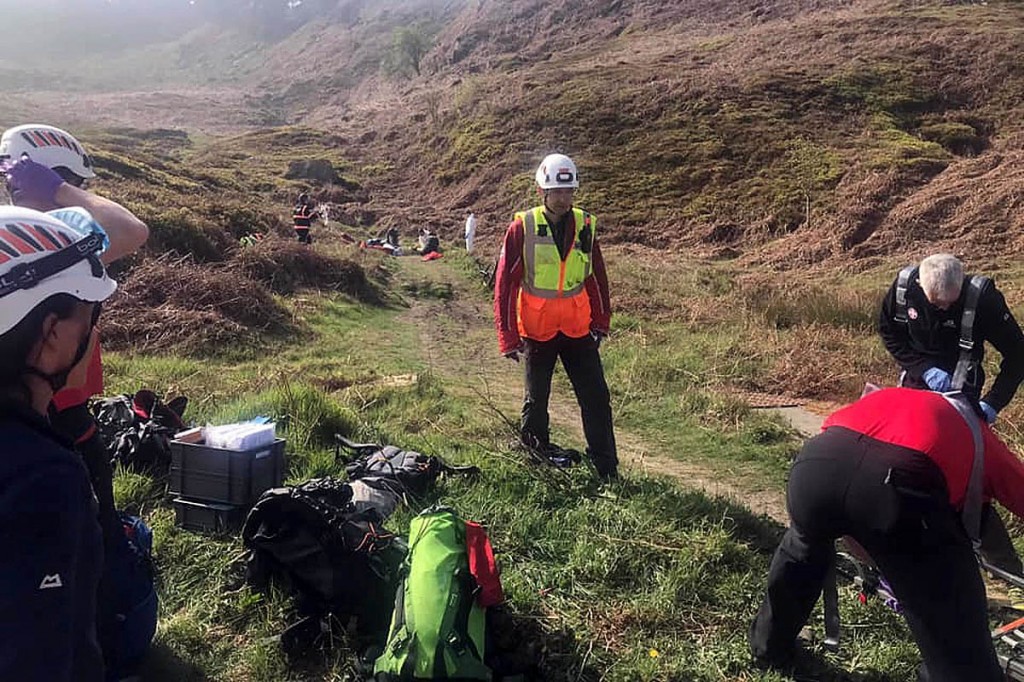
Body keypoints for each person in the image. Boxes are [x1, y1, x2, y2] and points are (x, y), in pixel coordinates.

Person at [1, 124, 152, 678]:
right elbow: (132, 230)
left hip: (46, 419)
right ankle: (111, 638)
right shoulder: (55, 249)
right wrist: (62, 193)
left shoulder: (27, 243)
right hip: (53, 426)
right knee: (79, 551)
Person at [749, 387, 1024, 681]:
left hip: (816, 466)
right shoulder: (979, 435)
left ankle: (769, 648)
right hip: (894, 488)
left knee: (802, 549)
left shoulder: (893, 396)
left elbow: (842, 445)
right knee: (948, 601)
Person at [0, 206, 119, 681]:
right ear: (51, 333)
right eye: (89, 318)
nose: (93, 334)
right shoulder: (41, 477)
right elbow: (40, 654)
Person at [879, 252, 1024, 573]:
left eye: (950, 303)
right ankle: (908, 556)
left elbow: (1018, 355)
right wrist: (924, 369)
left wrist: (993, 403)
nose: (943, 308)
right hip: (915, 394)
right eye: (936, 304)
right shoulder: (904, 288)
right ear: (920, 284)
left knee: (970, 482)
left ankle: (1006, 570)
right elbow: (889, 332)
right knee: (909, 473)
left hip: (965, 402)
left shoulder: (982, 299)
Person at [493, 153, 617, 480]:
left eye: (569, 192)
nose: (564, 198)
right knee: (536, 401)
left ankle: (606, 468)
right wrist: (507, 337)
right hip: (537, 329)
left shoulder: (586, 225)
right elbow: (505, 284)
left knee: (596, 399)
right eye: (557, 192)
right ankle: (536, 461)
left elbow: (595, 276)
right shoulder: (523, 227)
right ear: (542, 191)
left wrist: (601, 321)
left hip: (578, 328)